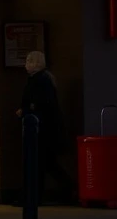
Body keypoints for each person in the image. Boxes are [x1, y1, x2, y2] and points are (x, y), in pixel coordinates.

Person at [17, 50, 74, 203]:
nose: (26, 64)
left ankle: (36, 196)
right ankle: (68, 190)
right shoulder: (44, 79)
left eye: (29, 61)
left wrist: (26, 111)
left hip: (42, 130)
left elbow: (41, 104)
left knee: (40, 164)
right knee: (46, 164)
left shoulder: (39, 81)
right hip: (47, 129)